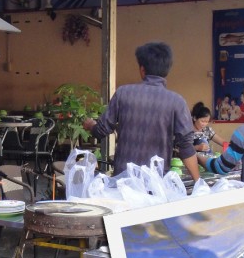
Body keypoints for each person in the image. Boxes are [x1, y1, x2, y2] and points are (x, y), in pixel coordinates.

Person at [83, 42, 200, 179]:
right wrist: (198, 182)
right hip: (156, 185)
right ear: (167, 70)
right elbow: (186, 146)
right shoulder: (177, 102)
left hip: (123, 183)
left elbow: (101, 131)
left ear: (142, 69)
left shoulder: (123, 93)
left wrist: (90, 125)